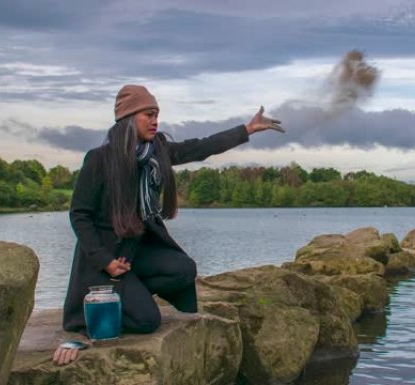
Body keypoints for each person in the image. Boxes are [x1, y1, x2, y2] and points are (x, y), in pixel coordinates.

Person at [53, 84, 283, 365]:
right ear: (128, 118)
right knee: (148, 320)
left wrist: (246, 130)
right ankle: (110, 302)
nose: (155, 121)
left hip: (134, 254)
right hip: (105, 261)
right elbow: (79, 215)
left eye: (156, 114)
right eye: (148, 114)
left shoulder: (155, 152)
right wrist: (105, 260)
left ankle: (130, 289)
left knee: (184, 269)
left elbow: (199, 147)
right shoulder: (99, 160)